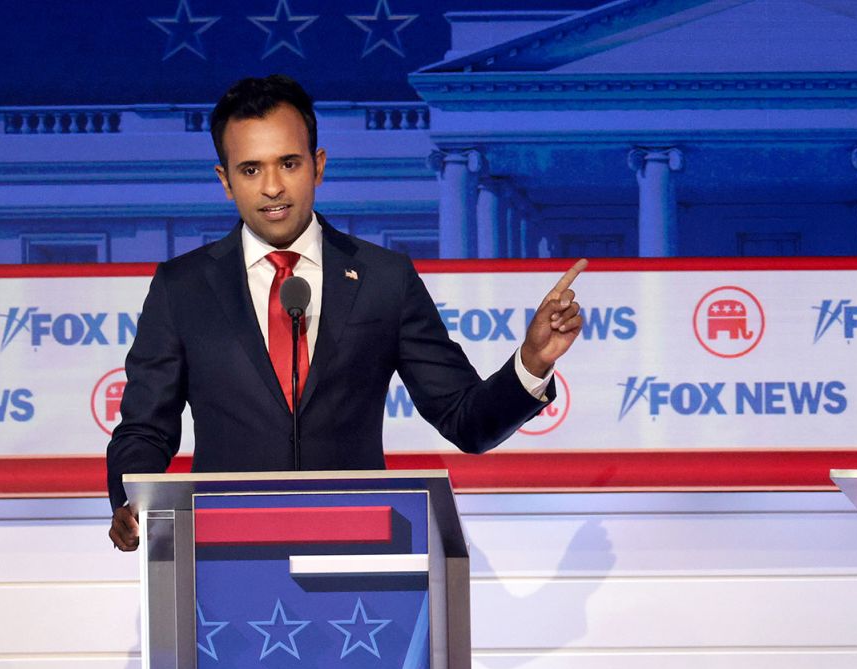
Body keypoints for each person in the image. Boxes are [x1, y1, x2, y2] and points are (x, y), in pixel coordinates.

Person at [107, 75, 586, 551]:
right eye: (251, 170)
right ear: (225, 181)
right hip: (221, 552)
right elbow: (146, 428)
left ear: (317, 167)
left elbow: (467, 421)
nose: (272, 187)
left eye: (288, 163)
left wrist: (533, 361)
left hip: (357, 554)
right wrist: (129, 499)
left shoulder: (384, 278)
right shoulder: (183, 287)